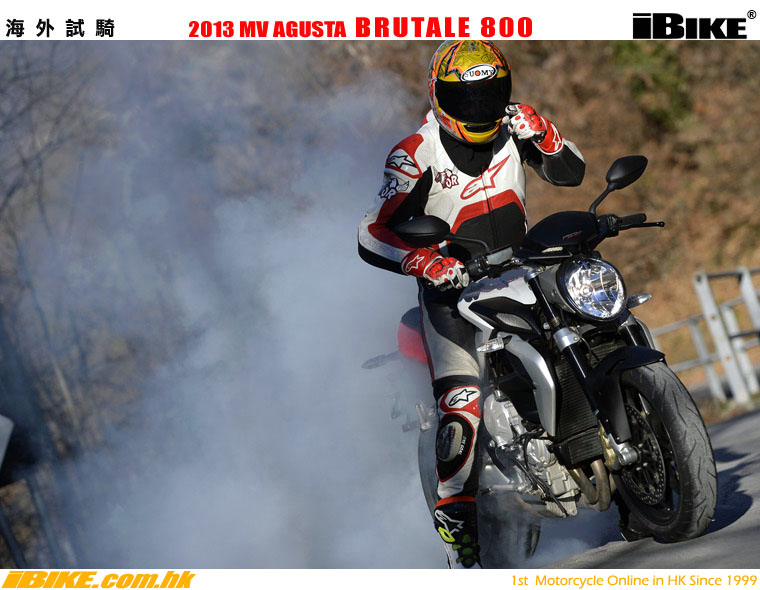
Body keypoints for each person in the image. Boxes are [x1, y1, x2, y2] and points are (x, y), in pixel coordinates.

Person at [357, 40, 585, 568]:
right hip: (451, 293)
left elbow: (571, 172)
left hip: (523, 271)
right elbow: (371, 232)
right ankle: (460, 541)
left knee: (591, 320)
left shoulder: (515, 125)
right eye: (467, 99)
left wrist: (546, 137)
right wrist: (422, 261)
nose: (481, 109)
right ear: (438, 96)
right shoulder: (413, 154)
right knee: (462, 404)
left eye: (491, 95)